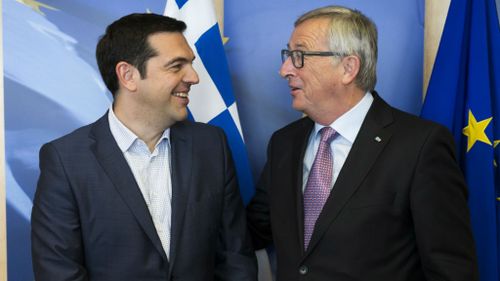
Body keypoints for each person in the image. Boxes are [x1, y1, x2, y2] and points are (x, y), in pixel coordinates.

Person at [246, 5, 478, 281]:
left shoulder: (420, 146)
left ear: (348, 68)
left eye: (299, 56)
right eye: (288, 55)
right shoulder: (284, 144)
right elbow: (250, 230)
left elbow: (450, 269)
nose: (284, 70)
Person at [31, 13, 257, 281]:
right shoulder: (65, 159)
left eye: (191, 64)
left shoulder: (211, 146)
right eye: (176, 66)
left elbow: (235, 257)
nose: (194, 77)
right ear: (128, 75)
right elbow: (59, 271)